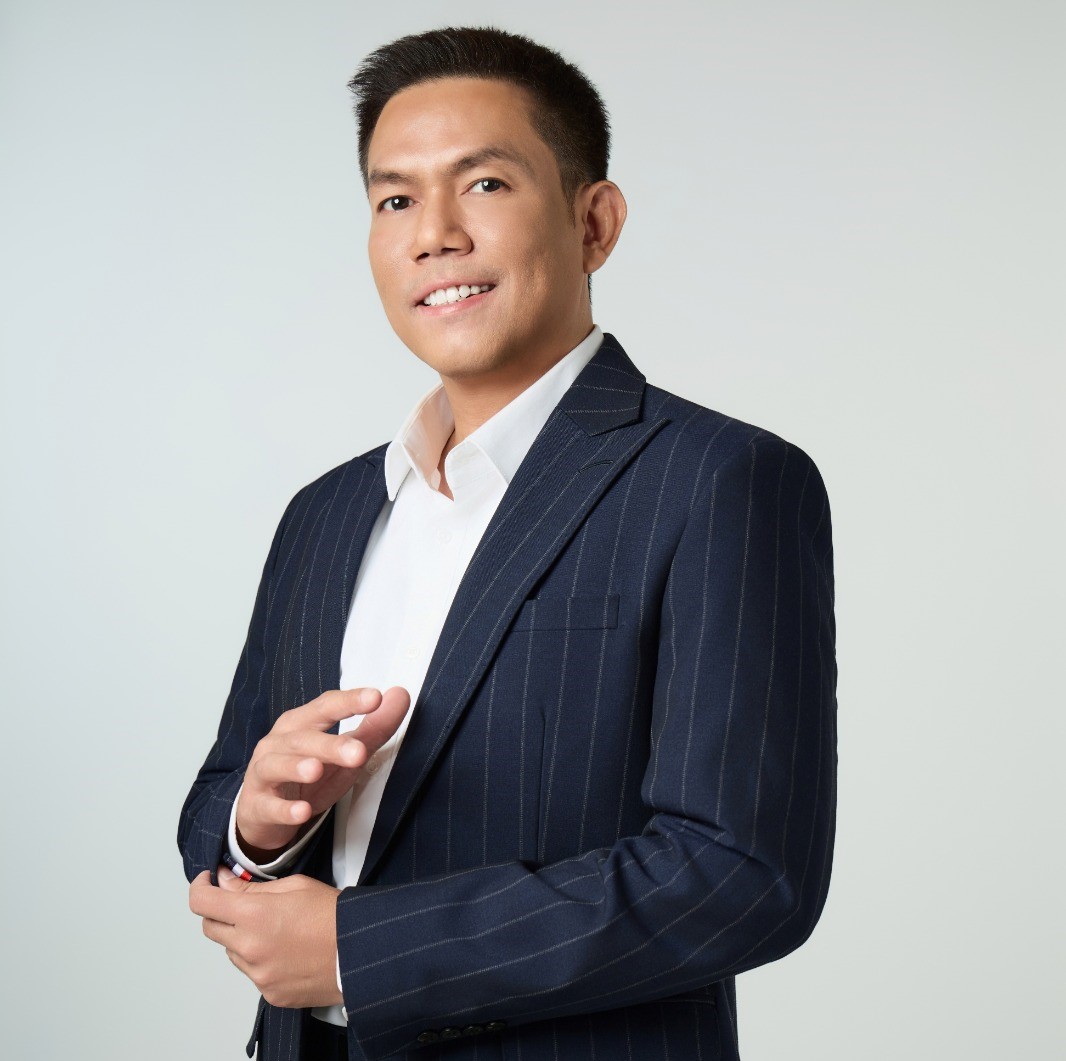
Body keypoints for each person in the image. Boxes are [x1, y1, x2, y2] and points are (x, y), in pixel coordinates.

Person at [180, 25, 837, 1061]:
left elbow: (741, 874)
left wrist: (361, 950)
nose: (433, 234)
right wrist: (258, 822)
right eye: (395, 200)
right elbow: (216, 806)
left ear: (594, 221)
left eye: (483, 184)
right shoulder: (325, 512)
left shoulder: (718, 479)